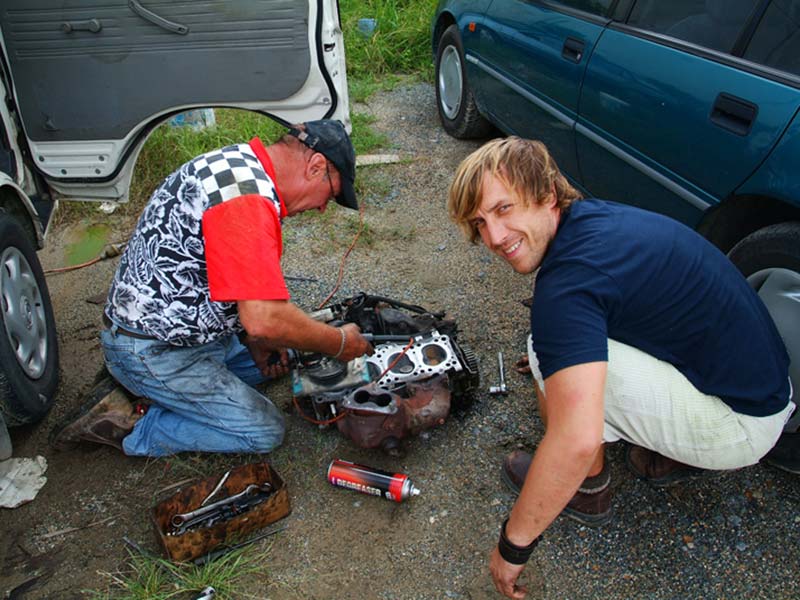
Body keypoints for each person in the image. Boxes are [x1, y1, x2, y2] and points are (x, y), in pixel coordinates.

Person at [446, 137, 794, 599]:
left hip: (743, 423)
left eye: (504, 208)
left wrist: (512, 546)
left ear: (547, 195)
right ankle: (661, 447)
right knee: (563, 350)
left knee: (545, 351)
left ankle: (588, 490)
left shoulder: (565, 287)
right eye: (480, 223)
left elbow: (576, 437)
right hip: (766, 386)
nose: (493, 237)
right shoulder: (594, 220)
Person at [53, 119, 373, 456]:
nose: (323, 207)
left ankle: (155, 391)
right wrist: (338, 343)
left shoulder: (239, 165)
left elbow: (236, 291)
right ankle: (130, 425)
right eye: (331, 194)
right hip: (154, 350)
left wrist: (252, 338)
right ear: (316, 166)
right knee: (264, 431)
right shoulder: (245, 200)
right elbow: (264, 319)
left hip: (180, 331)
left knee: (288, 355)